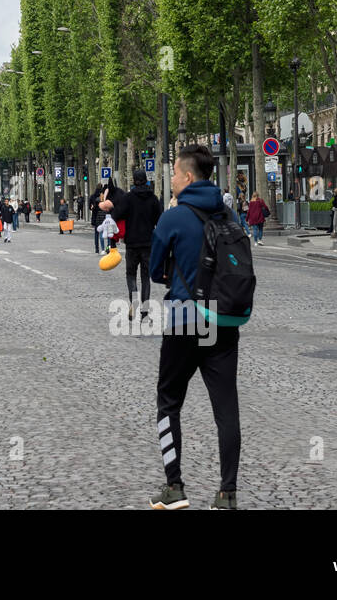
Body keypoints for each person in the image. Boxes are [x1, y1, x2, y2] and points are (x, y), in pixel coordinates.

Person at [147, 144, 241, 511]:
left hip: (185, 318)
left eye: (173, 173)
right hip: (223, 320)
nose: (170, 178)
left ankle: (174, 487)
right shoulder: (228, 212)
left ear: (187, 177)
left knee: (169, 402)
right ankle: (227, 492)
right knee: (226, 408)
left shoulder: (174, 216)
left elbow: (156, 271)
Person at [100, 169, 165, 323]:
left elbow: (116, 215)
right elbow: (160, 220)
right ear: (146, 181)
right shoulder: (153, 199)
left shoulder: (128, 198)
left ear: (134, 181)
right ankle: (144, 310)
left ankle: (134, 299)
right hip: (148, 243)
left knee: (131, 274)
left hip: (132, 243)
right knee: (145, 277)